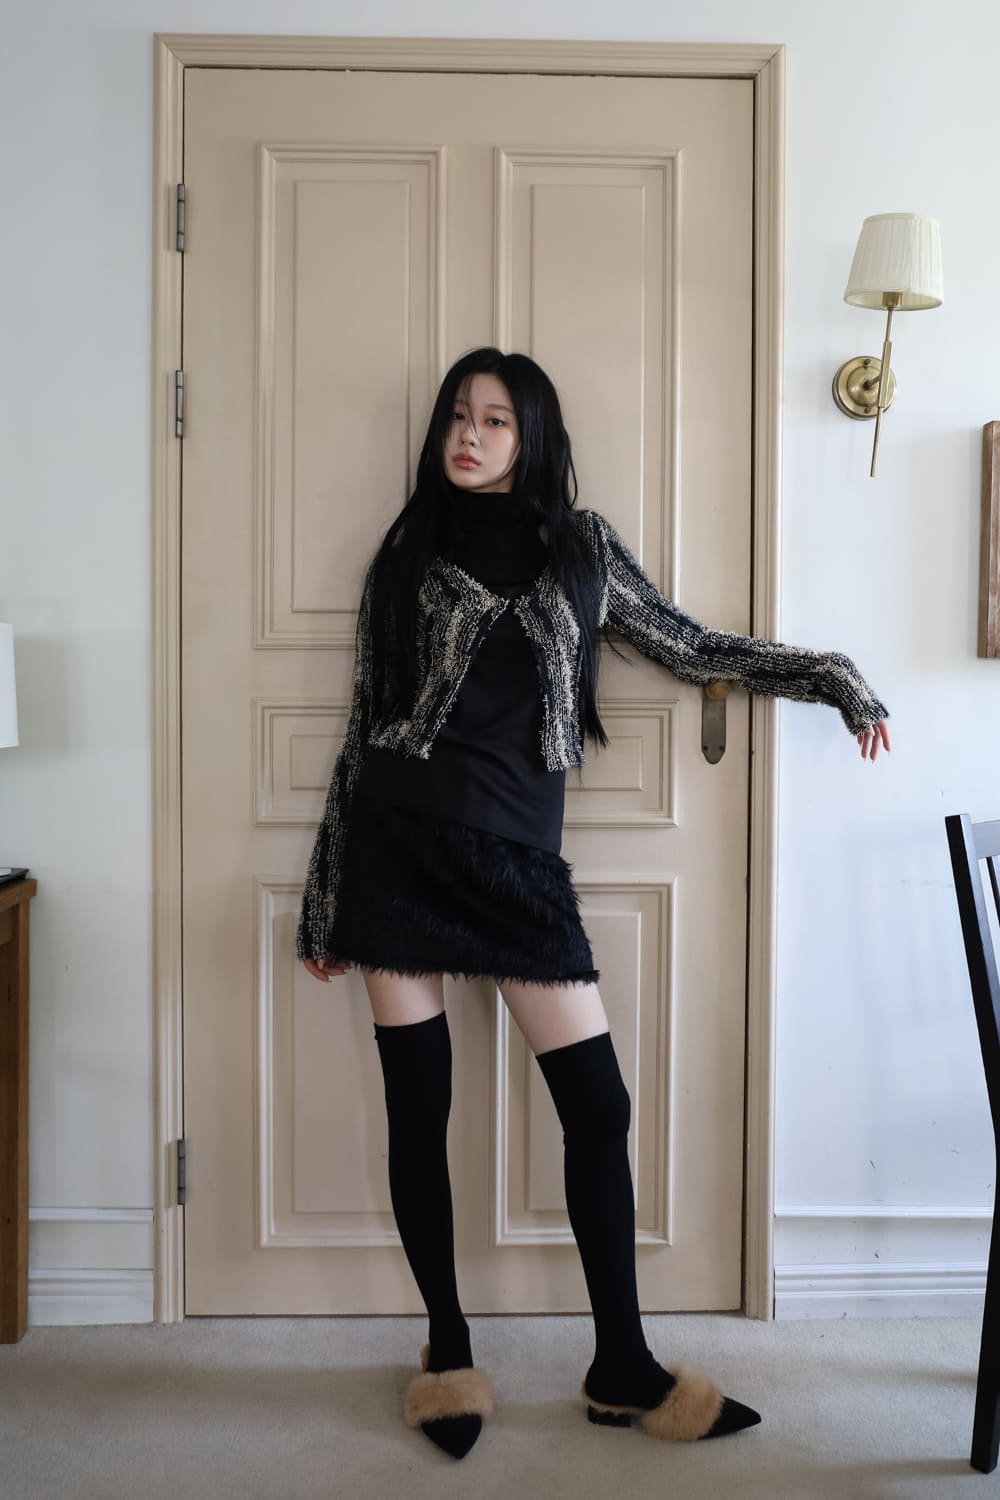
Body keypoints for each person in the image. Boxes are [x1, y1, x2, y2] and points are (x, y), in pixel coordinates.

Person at [297, 348, 891, 1462]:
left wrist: (830, 675)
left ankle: (622, 1363)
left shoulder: (581, 548)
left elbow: (691, 645)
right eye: (458, 417)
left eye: (495, 420)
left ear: (531, 437)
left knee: (599, 1108)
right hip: (397, 849)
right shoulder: (407, 552)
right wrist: (326, 897)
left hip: (518, 867)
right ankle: (446, 1351)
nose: (469, 436)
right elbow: (362, 722)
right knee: (419, 1111)